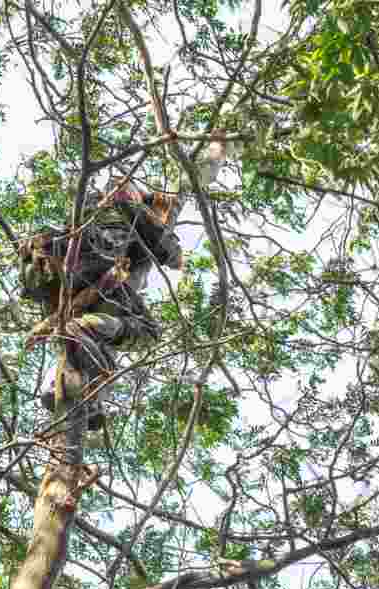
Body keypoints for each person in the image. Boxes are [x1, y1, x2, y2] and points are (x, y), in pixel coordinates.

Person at [19, 139, 237, 432]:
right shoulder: (118, 208)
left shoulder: (97, 213)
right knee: (109, 329)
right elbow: (165, 247)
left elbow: (158, 243)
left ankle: (72, 387)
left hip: (77, 288)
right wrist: (173, 252)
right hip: (90, 277)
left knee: (81, 330)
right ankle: (82, 385)